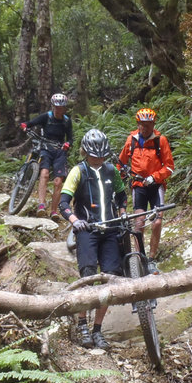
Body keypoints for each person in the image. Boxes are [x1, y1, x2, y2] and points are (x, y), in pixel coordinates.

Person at [58, 129, 128, 350]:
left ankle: (97, 329)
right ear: (86, 153)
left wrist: (123, 210)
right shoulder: (78, 172)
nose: (99, 159)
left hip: (110, 231)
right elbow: (63, 203)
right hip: (87, 230)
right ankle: (82, 324)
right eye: (95, 156)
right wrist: (74, 220)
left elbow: (121, 195)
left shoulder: (111, 171)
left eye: (102, 156)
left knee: (109, 279)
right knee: (88, 275)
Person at [117, 108, 174, 275]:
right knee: (139, 222)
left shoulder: (160, 140)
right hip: (138, 186)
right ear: (138, 124)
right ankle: (140, 256)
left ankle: (152, 257)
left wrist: (155, 177)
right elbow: (120, 163)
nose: (145, 128)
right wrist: (117, 181)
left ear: (153, 125)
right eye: (142, 125)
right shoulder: (131, 140)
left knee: (156, 222)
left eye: (148, 125)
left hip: (156, 186)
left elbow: (169, 166)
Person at [20, 93, 73, 218]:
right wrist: (25, 126)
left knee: (58, 182)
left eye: (61, 107)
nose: (58, 110)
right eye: (56, 107)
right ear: (52, 106)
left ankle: (54, 211)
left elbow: (70, 138)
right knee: (44, 174)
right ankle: (41, 205)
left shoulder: (66, 121)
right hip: (46, 148)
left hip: (60, 151)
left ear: (64, 108)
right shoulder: (46, 117)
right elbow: (31, 123)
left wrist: (67, 144)